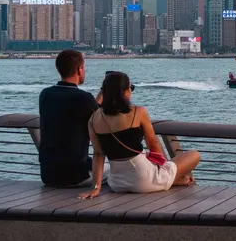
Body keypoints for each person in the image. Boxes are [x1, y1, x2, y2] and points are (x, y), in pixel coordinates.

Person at [78, 71, 200, 199]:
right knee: (194, 155)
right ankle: (170, 180)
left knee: (157, 175)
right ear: (125, 91)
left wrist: (96, 187)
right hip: (143, 177)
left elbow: (98, 154)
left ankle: (169, 181)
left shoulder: (93, 119)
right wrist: (163, 169)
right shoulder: (138, 112)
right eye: (131, 88)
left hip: (117, 183)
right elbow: (153, 143)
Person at [39, 49, 103, 187]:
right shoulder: (84, 98)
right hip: (76, 175)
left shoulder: (45, 94)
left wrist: (98, 100)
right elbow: (102, 121)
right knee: (116, 174)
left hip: (48, 175)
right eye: (84, 68)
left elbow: (70, 111)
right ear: (80, 70)